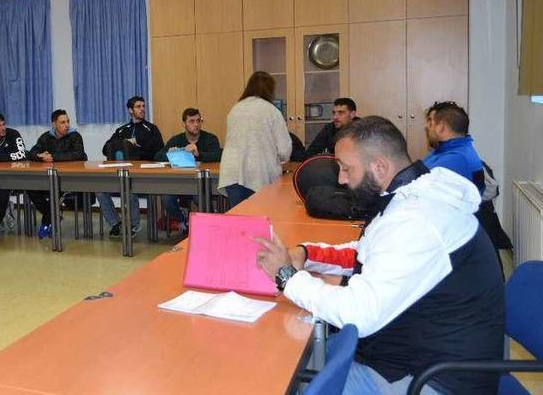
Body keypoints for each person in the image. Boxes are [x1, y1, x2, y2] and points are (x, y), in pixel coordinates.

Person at [255, 116, 504, 394]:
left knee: (288, 376)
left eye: (346, 169)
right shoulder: (408, 195)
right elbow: (369, 252)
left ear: (380, 166)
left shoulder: (419, 219)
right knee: (305, 362)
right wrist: (305, 253)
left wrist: (288, 277)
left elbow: (358, 313)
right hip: (409, 354)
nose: (341, 179)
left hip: (430, 380)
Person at [422, 101, 513, 267]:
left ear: (441, 127)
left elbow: (410, 182)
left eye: (430, 122)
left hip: (454, 243)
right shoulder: (450, 151)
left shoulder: (456, 159)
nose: (427, 127)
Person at [218, 71, 291, 207]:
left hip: (232, 172)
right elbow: (284, 149)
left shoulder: (235, 109)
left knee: (239, 220)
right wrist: (281, 159)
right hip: (258, 173)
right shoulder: (271, 111)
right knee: (259, 220)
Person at [98, 96, 164, 238]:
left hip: (142, 175)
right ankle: (116, 223)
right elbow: (105, 149)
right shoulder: (122, 130)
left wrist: (137, 146)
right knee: (100, 191)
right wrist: (124, 142)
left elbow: (159, 152)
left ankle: (134, 225)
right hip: (120, 174)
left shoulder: (151, 129)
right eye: (138, 106)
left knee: (130, 188)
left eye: (143, 106)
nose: (142, 109)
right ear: (130, 110)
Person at [153, 108, 221, 233]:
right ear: (184, 124)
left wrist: (198, 154)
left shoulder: (210, 138)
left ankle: (209, 227)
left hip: (202, 184)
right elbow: (157, 156)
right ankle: (182, 220)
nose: (196, 124)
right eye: (191, 121)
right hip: (180, 183)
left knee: (200, 197)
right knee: (166, 198)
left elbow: (217, 156)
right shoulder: (177, 139)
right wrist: (169, 154)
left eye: (198, 120)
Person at [27, 109, 87, 238]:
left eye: (67, 121)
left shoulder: (74, 136)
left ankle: (46, 222)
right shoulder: (46, 137)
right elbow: (32, 152)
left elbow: (78, 155)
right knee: (30, 188)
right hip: (48, 178)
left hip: (67, 180)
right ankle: (54, 216)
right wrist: (40, 156)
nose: (67, 125)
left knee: (55, 191)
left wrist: (53, 157)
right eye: (62, 122)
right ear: (54, 124)